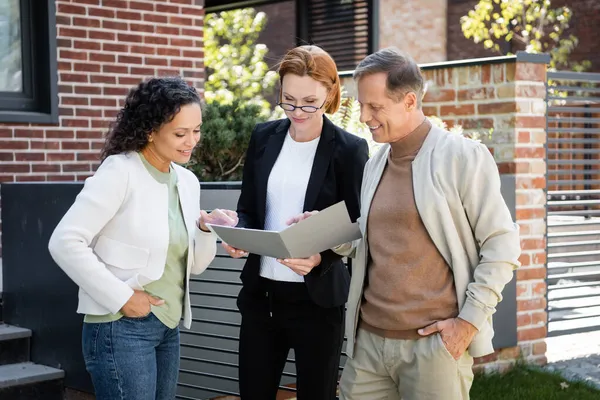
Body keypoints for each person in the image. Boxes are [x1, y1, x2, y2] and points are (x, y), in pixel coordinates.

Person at [311, 47, 520, 399]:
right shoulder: (377, 162)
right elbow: (371, 237)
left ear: (409, 101)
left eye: (374, 106)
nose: (364, 116)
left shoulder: (462, 157)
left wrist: (468, 323)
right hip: (370, 345)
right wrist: (319, 228)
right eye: (362, 105)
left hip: (433, 348)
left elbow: (502, 244)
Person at [48, 77, 238, 400]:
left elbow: (195, 267)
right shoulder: (120, 172)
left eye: (197, 130)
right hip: (119, 327)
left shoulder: (188, 182)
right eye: (180, 133)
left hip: (168, 327)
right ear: (151, 130)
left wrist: (206, 230)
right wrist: (123, 297)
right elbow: (64, 242)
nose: (192, 141)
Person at [222, 45, 369, 400]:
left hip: (317, 302)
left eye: (309, 102)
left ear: (331, 93)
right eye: (288, 100)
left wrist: (321, 258)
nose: (297, 111)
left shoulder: (350, 150)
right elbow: (250, 210)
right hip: (262, 298)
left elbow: (357, 226)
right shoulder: (263, 137)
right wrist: (238, 233)